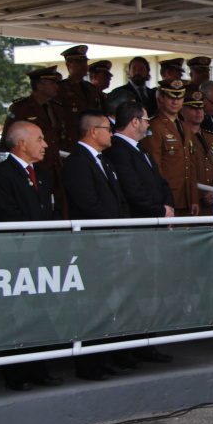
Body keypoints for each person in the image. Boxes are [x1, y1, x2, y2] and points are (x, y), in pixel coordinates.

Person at [0, 121, 64, 391]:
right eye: (40, 138)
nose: (45, 144)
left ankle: (39, 369)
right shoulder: (0, 174)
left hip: (43, 256)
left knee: (40, 312)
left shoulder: (42, 175)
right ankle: (16, 374)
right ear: (22, 143)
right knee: (16, 314)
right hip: (16, 257)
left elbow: (53, 212)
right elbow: (6, 214)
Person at [61, 110, 133, 380]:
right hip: (92, 244)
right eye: (107, 128)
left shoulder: (104, 160)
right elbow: (88, 204)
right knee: (92, 304)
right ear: (93, 131)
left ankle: (104, 357)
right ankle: (88, 364)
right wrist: (115, 225)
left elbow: (119, 199)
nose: (111, 133)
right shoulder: (77, 162)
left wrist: (125, 227)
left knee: (108, 303)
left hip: (112, 242)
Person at [2, 66, 67, 217]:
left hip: (56, 169)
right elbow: (8, 140)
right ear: (40, 86)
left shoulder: (56, 107)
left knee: (59, 210)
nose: (57, 86)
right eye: (52, 83)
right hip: (33, 167)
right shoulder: (21, 108)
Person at [104, 101, 175, 220]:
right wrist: (161, 212)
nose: (148, 124)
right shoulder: (117, 150)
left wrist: (169, 206)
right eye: (147, 120)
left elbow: (161, 181)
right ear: (135, 121)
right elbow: (133, 190)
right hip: (138, 222)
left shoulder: (141, 150)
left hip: (155, 219)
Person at [139, 80, 200, 217]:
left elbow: (191, 164)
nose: (175, 102)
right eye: (171, 97)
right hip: (168, 198)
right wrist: (162, 199)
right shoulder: (154, 126)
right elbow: (154, 166)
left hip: (186, 199)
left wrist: (194, 198)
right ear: (161, 98)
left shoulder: (184, 127)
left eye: (179, 98)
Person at [180, 90, 213, 214]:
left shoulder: (210, 136)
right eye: (193, 108)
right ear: (183, 112)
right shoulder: (181, 137)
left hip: (211, 202)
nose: (199, 112)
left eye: (201, 108)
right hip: (192, 201)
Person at [56, 45, 103, 151]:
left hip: (93, 141)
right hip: (71, 142)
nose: (84, 65)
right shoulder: (60, 89)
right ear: (68, 64)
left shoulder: (92, 89)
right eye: (79, 62)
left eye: (84, 62)